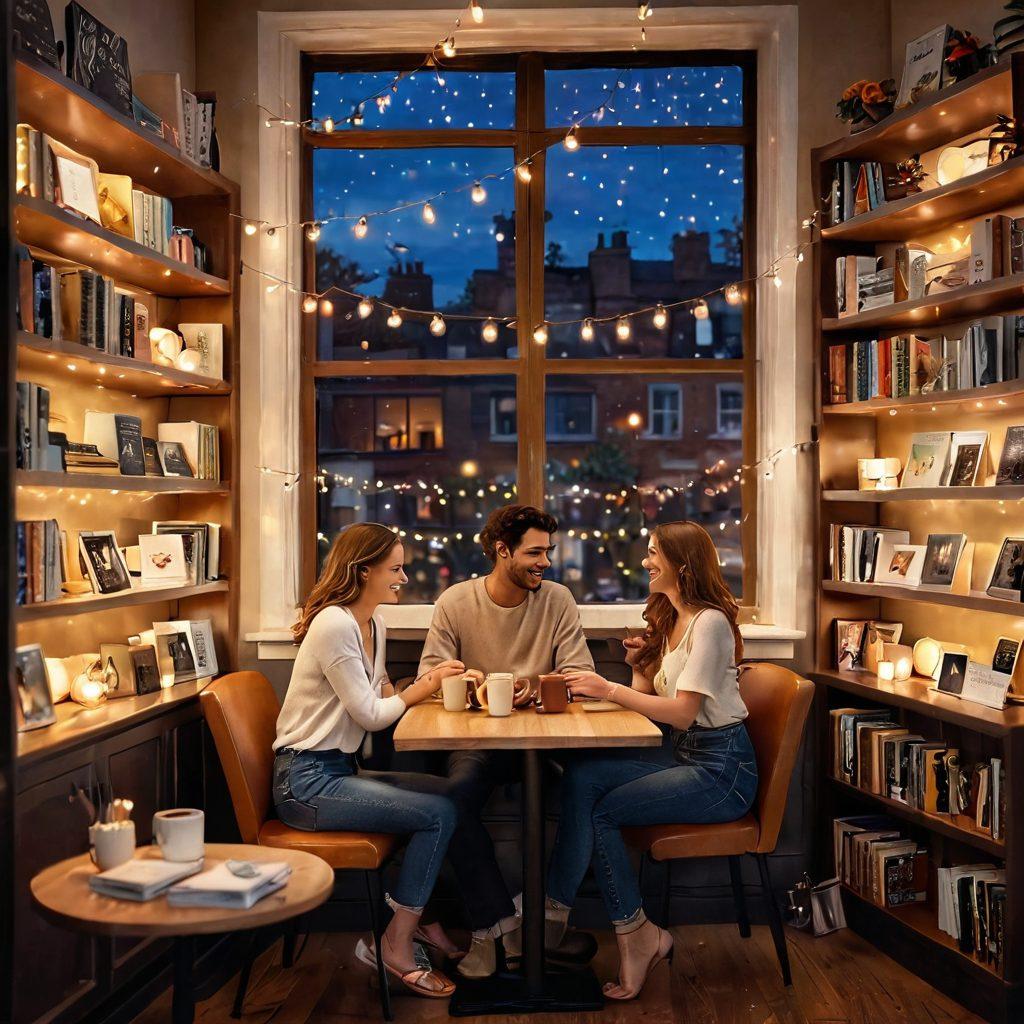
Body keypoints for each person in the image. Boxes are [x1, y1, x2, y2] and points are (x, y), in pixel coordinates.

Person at [545, 521, 759, 1000]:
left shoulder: (710, 623)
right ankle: (553, 911)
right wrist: (639, 667)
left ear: (681, 565)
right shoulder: (673, 617)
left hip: (722, 771)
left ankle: (636, 934)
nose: (646, 561)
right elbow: (653, 699)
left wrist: (608, 687)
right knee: (581, 777)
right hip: (686, 756)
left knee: (603, 813)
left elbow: (682, 713)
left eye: (653, 553)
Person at [273, 523, 467, 999]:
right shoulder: (334, 624)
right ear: (363, 571)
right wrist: (427, 686)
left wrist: (442, 686)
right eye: (395, 569)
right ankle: (396, 945)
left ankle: (426, 921)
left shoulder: (373, 622)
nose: (403, 577)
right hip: (306, 783)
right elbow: (371, 716)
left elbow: (379, 695)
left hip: (340, 771)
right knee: (437, 813)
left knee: (451, 795)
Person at [418, 504, 596, 977]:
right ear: (502, 551)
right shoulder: (455, 602)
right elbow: (428, 677)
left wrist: (534, 687)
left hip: (545, 741)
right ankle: (495, 925)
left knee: (592, 786)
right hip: (479, 741)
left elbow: (581, 674)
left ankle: (546, 918)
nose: (546, 562)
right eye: (535, 552)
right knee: (453, 801)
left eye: (548, 552)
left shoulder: (557, 599)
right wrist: (465, 677)